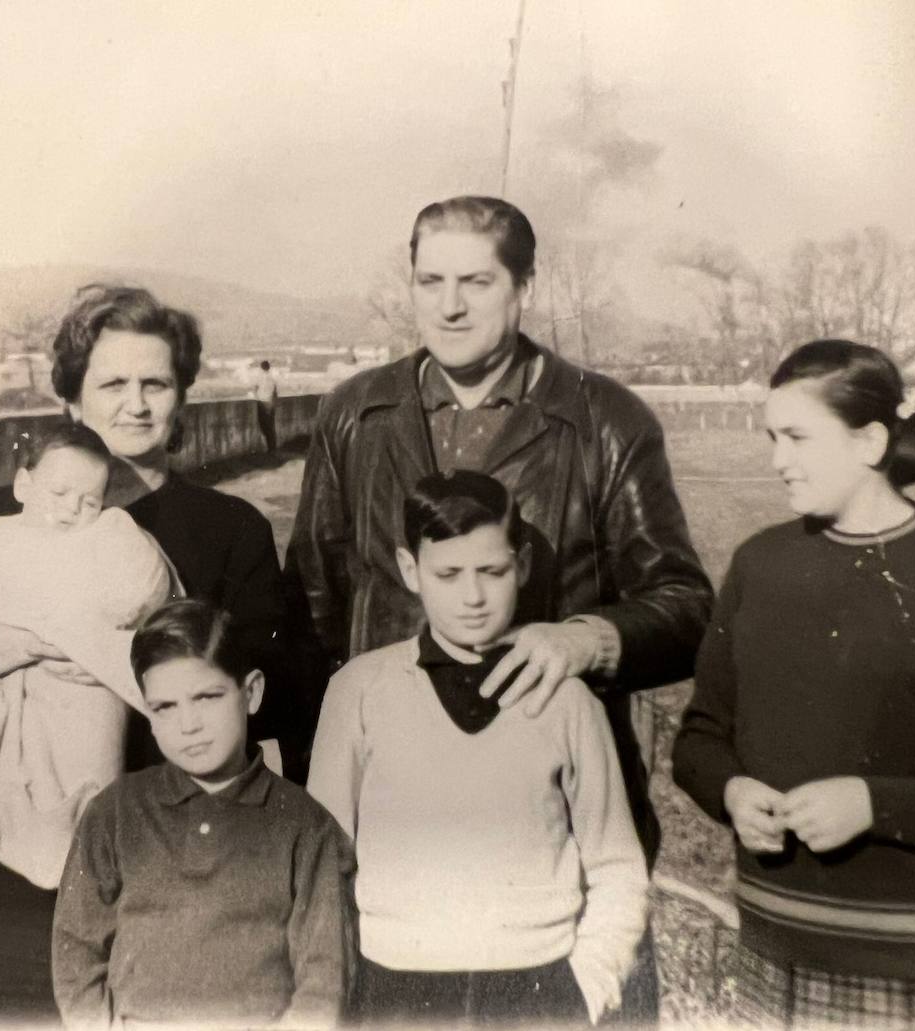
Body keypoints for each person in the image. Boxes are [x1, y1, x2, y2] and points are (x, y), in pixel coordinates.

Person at [285, 195, 711, 1019]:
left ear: (525, 287)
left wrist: (586, 638)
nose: (450, 304)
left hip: (549, 831)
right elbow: (310, 603)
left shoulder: (603, 419)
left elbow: (688, 603)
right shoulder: (355, 414)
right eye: (429, 279)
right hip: (397, 846)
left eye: (477, 281)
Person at [0, 283, 309, 1022]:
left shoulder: (228, 527)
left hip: (165, 862)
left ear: (184, 395)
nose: (136, 403)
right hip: (3, 862)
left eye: (156, 382)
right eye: (111, 383)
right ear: (71, 399)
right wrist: (13, 645)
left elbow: (278, 685)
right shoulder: (0, 517)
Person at [673, 339, 915, 1028]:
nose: (777, 459)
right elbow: (699, 736)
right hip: (774, 958)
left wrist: (878, 805)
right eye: (771, 436)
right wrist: (729, 788)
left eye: (797, 437)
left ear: (870, 440)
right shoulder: (759, 566)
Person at [307, 470, 647, 1027]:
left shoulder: (568, 702)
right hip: (394, 989)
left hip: (538, 986)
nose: (473, 596)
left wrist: (585, 988)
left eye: (493, 571)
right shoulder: (359, 692)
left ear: (524, 566)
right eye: (448, 574)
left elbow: (617, 865)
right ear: (409, 569)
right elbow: (325, 863)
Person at [0, 422, 174, 890]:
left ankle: (80, 851)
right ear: (23, 485)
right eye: (58, 493)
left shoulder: (105, 538)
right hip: (0, 694)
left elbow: (143, 594)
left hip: (82, 691)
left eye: (90, 501)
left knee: (91, 773)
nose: (71, 510)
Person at [53, 598, 355, 1029]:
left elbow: (325, 975)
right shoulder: (113, 814)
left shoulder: (303, 824)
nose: (188, 725)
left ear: (250, 693)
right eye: (165, 707)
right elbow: (76, 950)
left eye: (207, 697)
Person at [252, 359, 279, 451]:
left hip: (262, 403)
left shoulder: (259, 377)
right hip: (270, 403)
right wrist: (273, 402)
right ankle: (272, 447)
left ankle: (270, 448)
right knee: (271, 426)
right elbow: (275, 393)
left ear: (261, 367)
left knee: (264, 425)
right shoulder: (272, 378)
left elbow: (255, 389)